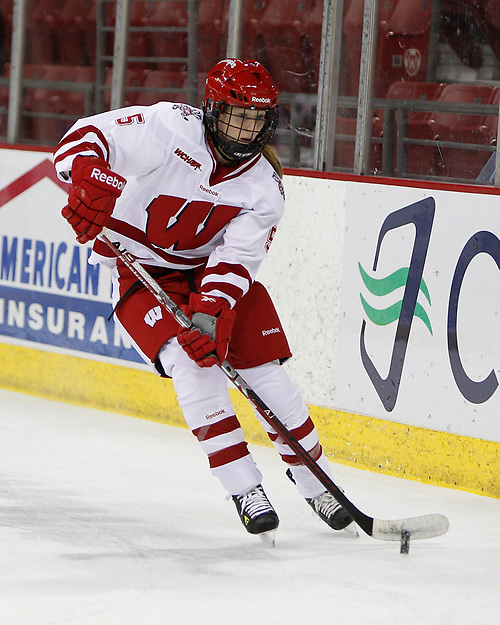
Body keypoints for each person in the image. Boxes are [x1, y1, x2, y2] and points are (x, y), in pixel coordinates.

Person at [53, 58, 353, 538]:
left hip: (211, 277)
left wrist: (211, 315)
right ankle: (243, 486)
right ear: (212, 109)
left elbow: (236, 261)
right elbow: (88, 136)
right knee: (190, 365)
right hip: (144, 271)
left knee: (266, 374)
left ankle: (316, 481)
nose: (246, 128)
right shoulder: (171, 127)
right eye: (237, 115)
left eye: (256, 119)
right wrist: (89, 177)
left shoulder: (265, 189)